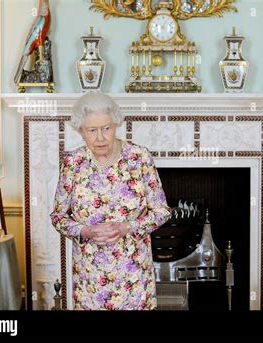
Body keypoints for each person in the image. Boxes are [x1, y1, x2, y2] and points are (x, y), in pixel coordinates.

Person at [50, 92, 171, 310]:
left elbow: (161, 211)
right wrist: (84, 231)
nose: (100, 138)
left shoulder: (139, 157)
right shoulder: (73, 163)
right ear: (80, 131)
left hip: (134, 274)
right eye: (92, 130)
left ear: (116, 124)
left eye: (107, 128)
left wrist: (127, 227)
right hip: (90, 278)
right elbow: (58, 217)